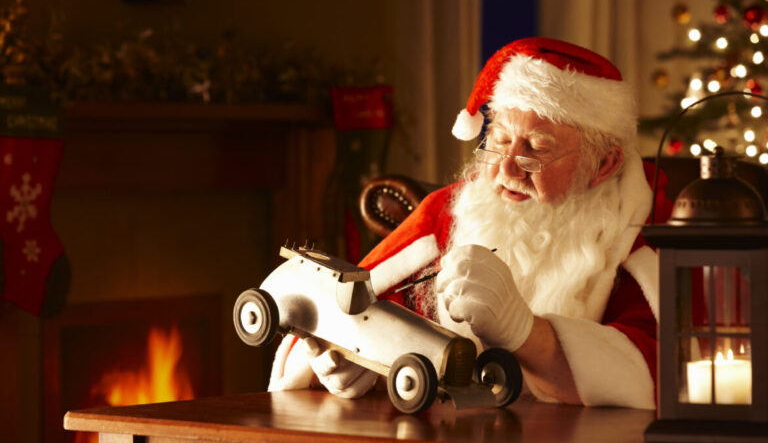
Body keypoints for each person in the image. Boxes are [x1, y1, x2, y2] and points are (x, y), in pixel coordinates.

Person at [267, 37, 672, 409]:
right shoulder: (447, 212)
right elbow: (356, 306)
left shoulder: (645, 229)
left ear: (603, 164)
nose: (507, 168)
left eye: (537, 147)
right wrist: (347, 357)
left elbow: (664, 373)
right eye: (498, 141)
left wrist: (525, 333)